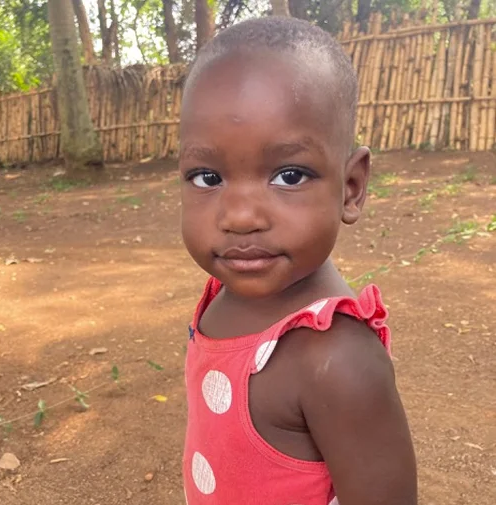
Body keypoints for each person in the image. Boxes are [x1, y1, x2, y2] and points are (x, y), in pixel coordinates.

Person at [179, 16, 417, 505]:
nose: (241, 217)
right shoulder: (222, 298)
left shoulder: (335, 358)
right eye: (207, 177)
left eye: (289, 175)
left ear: (350, 188)